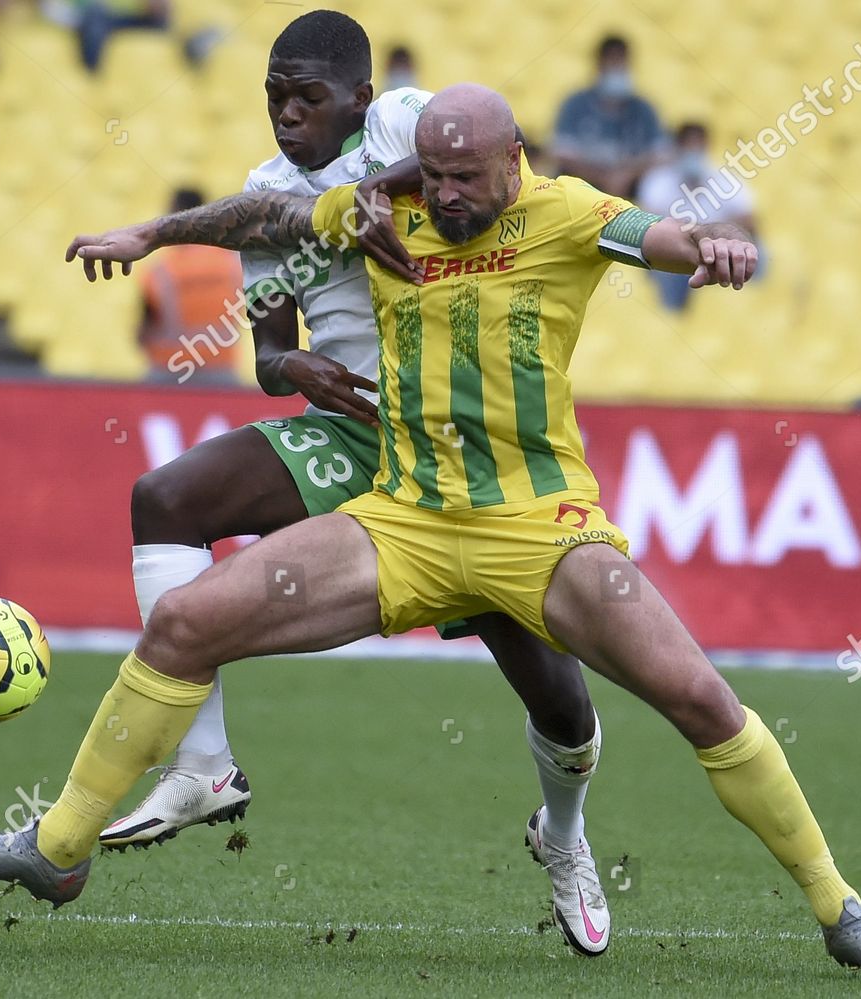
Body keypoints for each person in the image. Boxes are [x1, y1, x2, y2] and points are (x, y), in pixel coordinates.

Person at [0, 83, 861, 982]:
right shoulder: (386, 208)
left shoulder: (568, 214)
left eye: (463, 179)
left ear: (514, 162)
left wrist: (712, 248)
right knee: (185, 622)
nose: (442, 197)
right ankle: (56, 851)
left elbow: (660, 239)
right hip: (402, 520)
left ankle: (841, 910)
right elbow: (264, 217)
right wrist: (148, 235)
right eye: (433, 175)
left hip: (541, 529)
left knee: (698, 699)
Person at [101, 11, 609, 955]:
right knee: (165, 498)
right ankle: (205, 765)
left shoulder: (406, 125)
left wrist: (364, 195)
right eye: (274, 99)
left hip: (462, 455)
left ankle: (566, 834)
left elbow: (475, 165)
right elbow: (268, 352)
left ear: (362, 99)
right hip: (350, 428)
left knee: (560, 705)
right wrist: (300, 374)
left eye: (308, 98)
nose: (289, 117)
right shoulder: (262, 196)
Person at [638, 122, 757, 311]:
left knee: (757, 253)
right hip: (674, 252)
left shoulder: (726, 180)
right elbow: (646, 225)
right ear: (677, 148)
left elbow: (750, 221)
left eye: (698, 146)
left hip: (719, 251)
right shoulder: (658, 181)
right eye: (688, 146)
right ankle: (672, 312)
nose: (694, 152)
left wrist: (721, 234)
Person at [137, 189, 243, 382]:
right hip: (220, 368)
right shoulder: (233, 263)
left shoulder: (161, 270)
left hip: (169, 370)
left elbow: (143, 331)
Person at [551, 35, 666, 198]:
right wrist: (604, 178)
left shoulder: (643, 109)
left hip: (632, 189)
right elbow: (562, 153)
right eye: (612, 62)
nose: (617, 68)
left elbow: (661, 154)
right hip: (584, 189)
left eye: (621, 63)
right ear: (599, 65)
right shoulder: (576, 104)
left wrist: (627, 175)